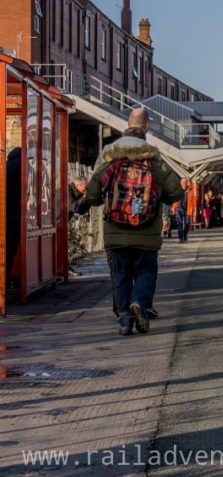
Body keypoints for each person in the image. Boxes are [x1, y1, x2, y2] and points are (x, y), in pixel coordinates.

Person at [77, 108, 182, 336]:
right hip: (147, 232)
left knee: (121, 274)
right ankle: (139, 302)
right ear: (146, 128)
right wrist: (157, 195)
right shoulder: (154, 158)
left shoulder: (111, 156)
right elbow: (176, 193)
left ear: (127, 124)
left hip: (116, 230)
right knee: (146, 271)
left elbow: (93, 193)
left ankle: (125, 319)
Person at [173, 177, 192, 243]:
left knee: (187, 223)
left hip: (188, 208)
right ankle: (180, 237)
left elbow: (195, 198)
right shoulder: (177, 190)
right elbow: (174, 198)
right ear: (180, 183)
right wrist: (173, 207)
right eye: (182, 182)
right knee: (179, 223)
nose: (184, 183)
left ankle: (185, 235)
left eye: (185, 182)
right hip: (178, 208)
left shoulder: (190, 189)